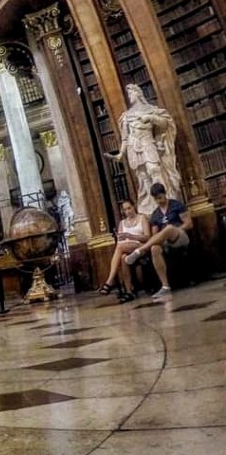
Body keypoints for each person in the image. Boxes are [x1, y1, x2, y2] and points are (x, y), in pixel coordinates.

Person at [106, 84, 182, 215]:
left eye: (131, 93)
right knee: (143, 176)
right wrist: (120, 154)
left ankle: (165, 201)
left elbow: (165, 124)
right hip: (133, 147)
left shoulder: (151, 110)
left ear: (138, 93)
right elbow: (125, 138)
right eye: (128, 94)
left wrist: (151, 118)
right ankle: (152, 207)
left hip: (147, 143)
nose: (129, 96)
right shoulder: (126, 116)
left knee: (154, 170)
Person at [125, 182, 192, 300]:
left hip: (180, 236)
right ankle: (165, 285)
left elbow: (189, 224)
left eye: (160, 197)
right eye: (156, 199)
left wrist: (174, 230)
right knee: (154, 248)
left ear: (165, 194)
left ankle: (140, 250)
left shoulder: (176, 205)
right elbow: (154, 235)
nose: (159, 201)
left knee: (169, 228)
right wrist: (162, 236)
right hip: (165, 241)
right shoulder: (156, 214)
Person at [97, 200, 149, 300]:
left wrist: (130, 236)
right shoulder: (122, 223)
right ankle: (129, 291)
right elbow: (120, 241)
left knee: (120, 248)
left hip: (140, 246)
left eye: (129, 208)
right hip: (126, 248)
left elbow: (147, 237)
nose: (128, 211)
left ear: (134, 206)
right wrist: (123, 239)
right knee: (123, 257)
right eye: (125, 210)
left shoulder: (142, 218)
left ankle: (110, 281)